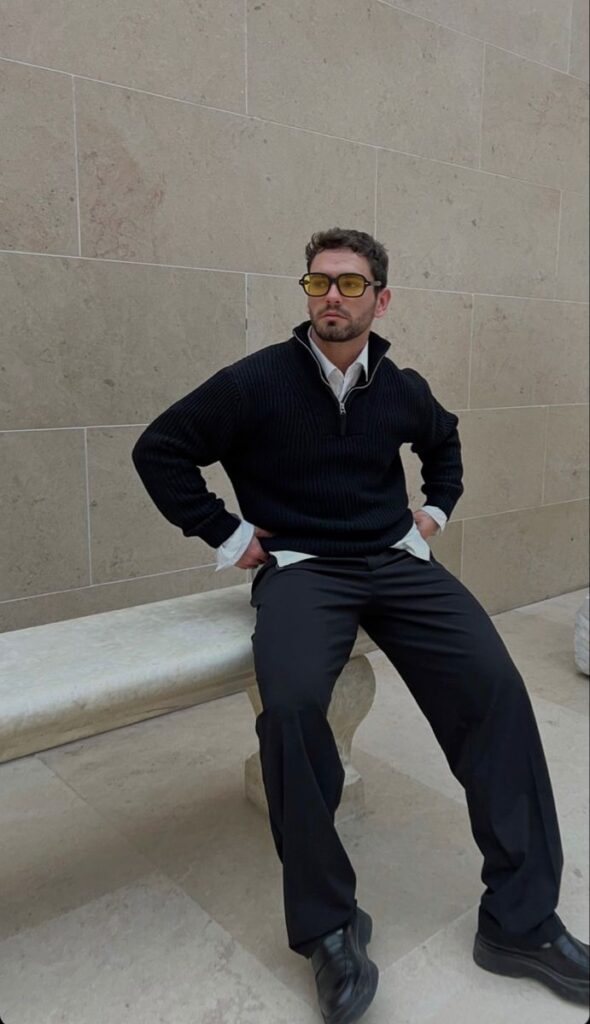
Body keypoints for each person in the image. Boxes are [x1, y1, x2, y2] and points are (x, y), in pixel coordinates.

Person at [132, 228, 589, 1022]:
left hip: (396, 562)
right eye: (318, 284)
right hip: (303, 570)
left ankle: (520, 923)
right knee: (296, 707)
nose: (332, 297)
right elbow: (160, 449)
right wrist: (233, 538)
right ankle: (329, 929)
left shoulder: (402, 386)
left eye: (349, 284)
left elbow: (443, 445)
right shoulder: (255, 383)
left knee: (497, 687)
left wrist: (431, 517)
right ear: (306, 294)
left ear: (382, 299)